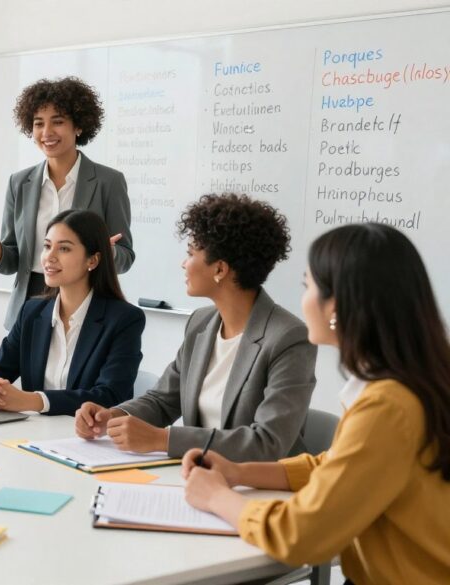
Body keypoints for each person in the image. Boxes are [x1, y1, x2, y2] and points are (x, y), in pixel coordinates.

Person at [183, 223, 450, 584]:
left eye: (307, 286)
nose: (303, 300)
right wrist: (238, 472)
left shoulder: (388, 406)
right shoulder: (406, 384)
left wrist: (217, 497)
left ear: (335, 306)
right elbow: (336, 464)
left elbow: (301, 536)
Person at [75, 193, 317, 461]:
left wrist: (162, 439)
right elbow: (163, 399)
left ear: (220, 269)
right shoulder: (201, 323)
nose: (183, 263)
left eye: (190, 253)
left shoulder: (288, 338)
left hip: (262, 489)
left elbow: (267, 442)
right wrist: (112, 416)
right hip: (200, 476)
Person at [0, 76, 134, 329]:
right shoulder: (19, 183)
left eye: (58, 122)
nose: (46, 133)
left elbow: (126, 256)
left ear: (78, 126)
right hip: (29, 302)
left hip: (84, 299)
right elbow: (12, 262)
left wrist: (107, 254)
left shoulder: (108, 182)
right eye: (38, 124)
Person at [0, 210, 143, 415]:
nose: (50, 257)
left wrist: (32, 401)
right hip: (34, 437)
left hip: (92, 439)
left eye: (64, 248)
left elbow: (108, 396)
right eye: (47, 246)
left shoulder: (124, 319)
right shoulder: (32, 312)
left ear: (92, 260)